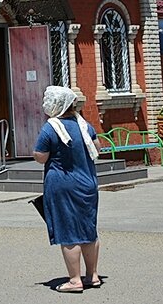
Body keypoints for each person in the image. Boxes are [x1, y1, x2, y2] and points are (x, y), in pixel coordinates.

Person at [33, 85, 102, 293]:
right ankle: (92, 275)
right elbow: (97, 148)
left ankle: (74, 280)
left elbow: (40, 156)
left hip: (63, 184)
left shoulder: (50, 127)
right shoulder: (84, 124)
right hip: (88, 183)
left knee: (69, 233)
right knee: (89, 230)